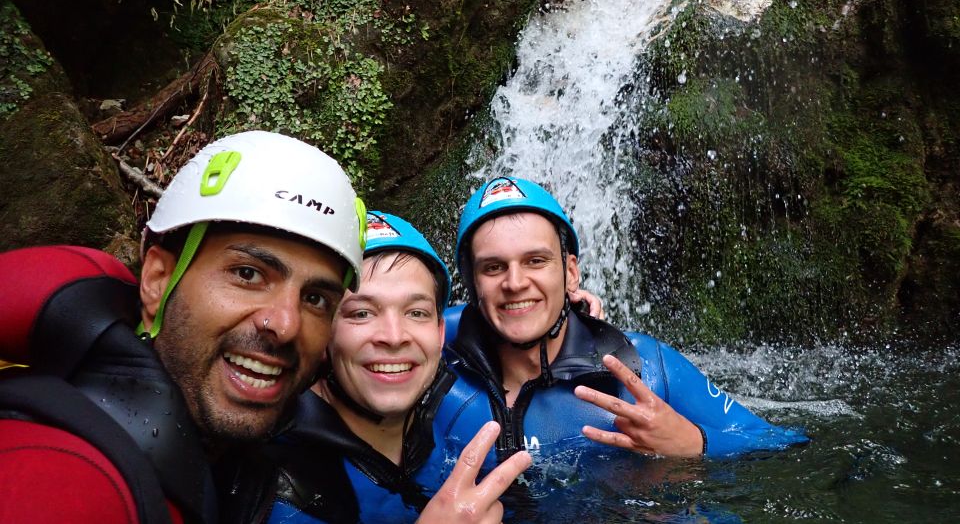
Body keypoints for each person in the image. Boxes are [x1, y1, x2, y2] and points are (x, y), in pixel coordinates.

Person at [0, 130, 369, 523]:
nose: (285, 324)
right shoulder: (58, 473)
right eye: (248, 274)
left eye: (315, 299)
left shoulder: (284, 453)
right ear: (158, 281)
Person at [438, 176, 808, 476]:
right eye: (493, 267)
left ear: (570, 274)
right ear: (472, 285)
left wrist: (694, 442)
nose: (515, 282)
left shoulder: (646, 366)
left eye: (535, 261)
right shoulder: (431, 378)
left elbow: (781, 442)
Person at [217, 211, 533, 523]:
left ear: (439, 333)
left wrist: (576, 318)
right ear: (323, 335)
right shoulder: (277, 485)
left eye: (416, 313)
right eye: (362, 314)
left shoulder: (464, 403)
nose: (394, 337)